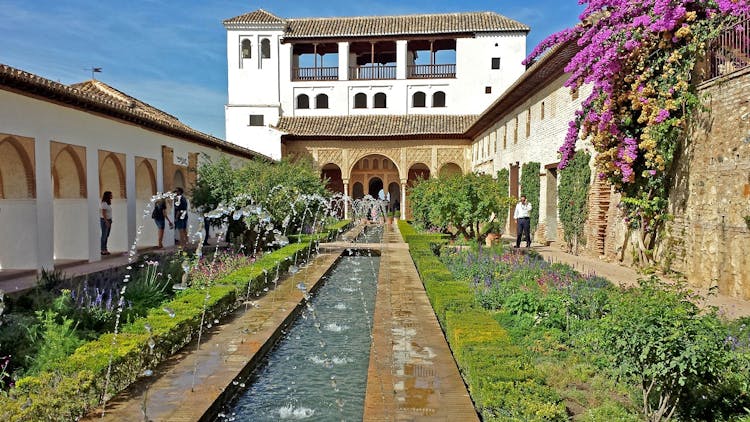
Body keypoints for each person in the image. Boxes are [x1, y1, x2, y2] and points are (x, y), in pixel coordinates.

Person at [100, 191, 113, 255]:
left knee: (106, 235)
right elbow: (103, 213)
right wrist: (106, 221)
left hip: (109, 220)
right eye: (110, 195)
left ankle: (105, 249)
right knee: (104, 236)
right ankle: (102, 250)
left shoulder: (108, 204)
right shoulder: (104, 203)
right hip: (105, 221)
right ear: (107, 196)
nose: (111, 196)